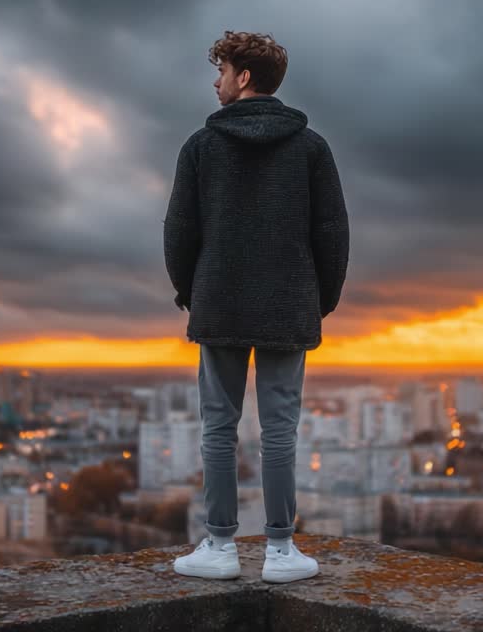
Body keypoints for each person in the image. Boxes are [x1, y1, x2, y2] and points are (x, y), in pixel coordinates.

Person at [162, 30, 350, 583]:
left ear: (243, 77)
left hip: (218, 302)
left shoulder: (201, 146)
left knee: (218, 427)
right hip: (289, 306)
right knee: (279, 431)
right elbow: (333, 233)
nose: (215, 81)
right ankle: (281, 552)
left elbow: (179, 232)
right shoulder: (312, 147)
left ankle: (219, 547)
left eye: (220, 70)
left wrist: (190, 294)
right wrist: (319, 301)